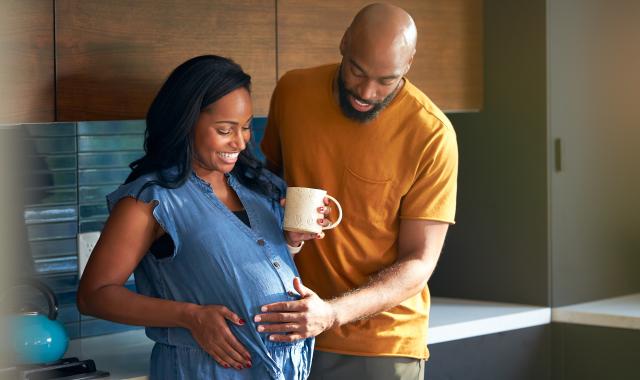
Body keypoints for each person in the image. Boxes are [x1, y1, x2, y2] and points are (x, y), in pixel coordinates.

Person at [77, 55, 321, 380]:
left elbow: (241, 261)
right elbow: (94, 295)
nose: (240, 141)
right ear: (185, 122)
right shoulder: (150, 200)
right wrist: (190, 316)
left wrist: (291, 241)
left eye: (246, 127)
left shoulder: (257, 184)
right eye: (224, 130)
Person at [257, 3, 458, 379]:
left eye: (386, 80)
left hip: (382, 343)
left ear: (410, 63)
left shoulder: (431, 134)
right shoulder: (293, 92)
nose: (367, 91)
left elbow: (419, 262)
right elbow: (266, 185)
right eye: (357, 71)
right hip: (290, 331)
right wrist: (281, 217)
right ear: (344, 42)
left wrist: (332, 314)